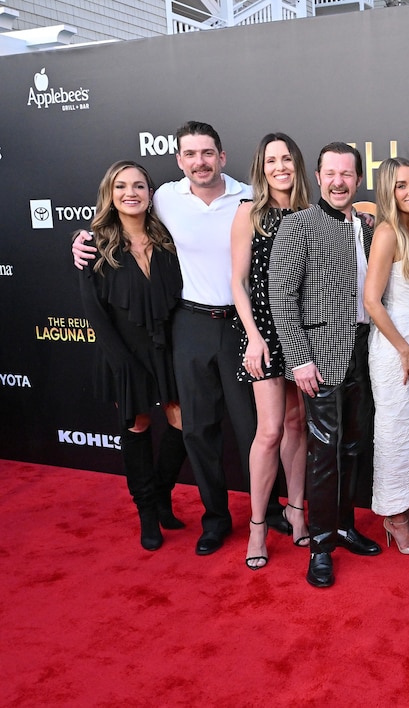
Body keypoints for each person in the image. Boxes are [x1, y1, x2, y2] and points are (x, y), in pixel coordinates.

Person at [74, 121, 257, 556]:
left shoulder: (249, 195)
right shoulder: (166, 199)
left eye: (207, 153)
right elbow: (112, 220)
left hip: (237, 325)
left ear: (222, 156)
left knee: (252, 429)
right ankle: (212, 520)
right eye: (190, 154)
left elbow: (294, 215)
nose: (200, 161)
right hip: (188, 328)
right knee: (196, 430)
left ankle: (266, 514)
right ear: (179, 161)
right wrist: (79, 240)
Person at [269, 142, 382, 589]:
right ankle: (320, 545)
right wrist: (298, 359)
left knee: (354, 446)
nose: (339, 182)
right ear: (318, 177)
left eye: (347, 174)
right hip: (320, 356)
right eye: (331, 173)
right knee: (323, 454)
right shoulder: (299, 225)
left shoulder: (369, 227)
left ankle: (345, 526)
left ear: (358, 179)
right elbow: (282, 297)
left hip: (365, 351)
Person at [79, 160, 185, 551]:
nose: (131, 193)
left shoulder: (167, 239)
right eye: (121, 186)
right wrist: (120, 360)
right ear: (110, 193)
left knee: (182, 423)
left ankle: (160, 494)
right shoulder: (93, 245)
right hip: (123, 354)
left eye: (139, 186)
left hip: (167, 348)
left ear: (150, 193)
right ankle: (146, 512)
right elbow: (93, 311)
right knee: (138, 426)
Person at [231, 133, 311, 570]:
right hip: (262, 334)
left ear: (297, 164)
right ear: (261, 167)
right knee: (271, 430)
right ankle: (259, 525)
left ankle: (297, 512)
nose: (279, 167)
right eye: (271, 160)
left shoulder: (309, 214)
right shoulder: (249, 212)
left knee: (298, 425)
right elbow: (238, 283)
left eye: (286, 159)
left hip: (302, 335)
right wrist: (254, 337)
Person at [363, 157, 409, 555]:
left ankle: (404, 508)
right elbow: (372, 301)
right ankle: (395, 516)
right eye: (400, 186)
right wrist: (404, 349)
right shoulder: (389, 232)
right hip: (396, 347)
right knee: (394, 433)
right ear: (387, 192)